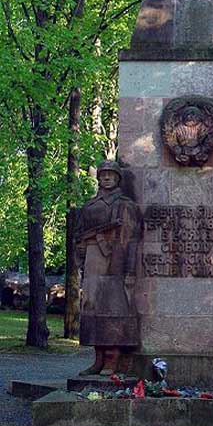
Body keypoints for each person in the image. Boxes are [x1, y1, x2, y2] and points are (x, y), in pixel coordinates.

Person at [75, 160, 142, 376]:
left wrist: (130, 270)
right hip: (94, 260)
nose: (106, 178)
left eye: (111, 175)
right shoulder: (89, 206)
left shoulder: (125, 204)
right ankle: (98, 359)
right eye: (103, 174)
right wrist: (82, 254)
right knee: (92, 307)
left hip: (117, 261)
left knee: (114, 308)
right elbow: (79, 236)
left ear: (118, 178)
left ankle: (113, 360)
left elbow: (132, 240)